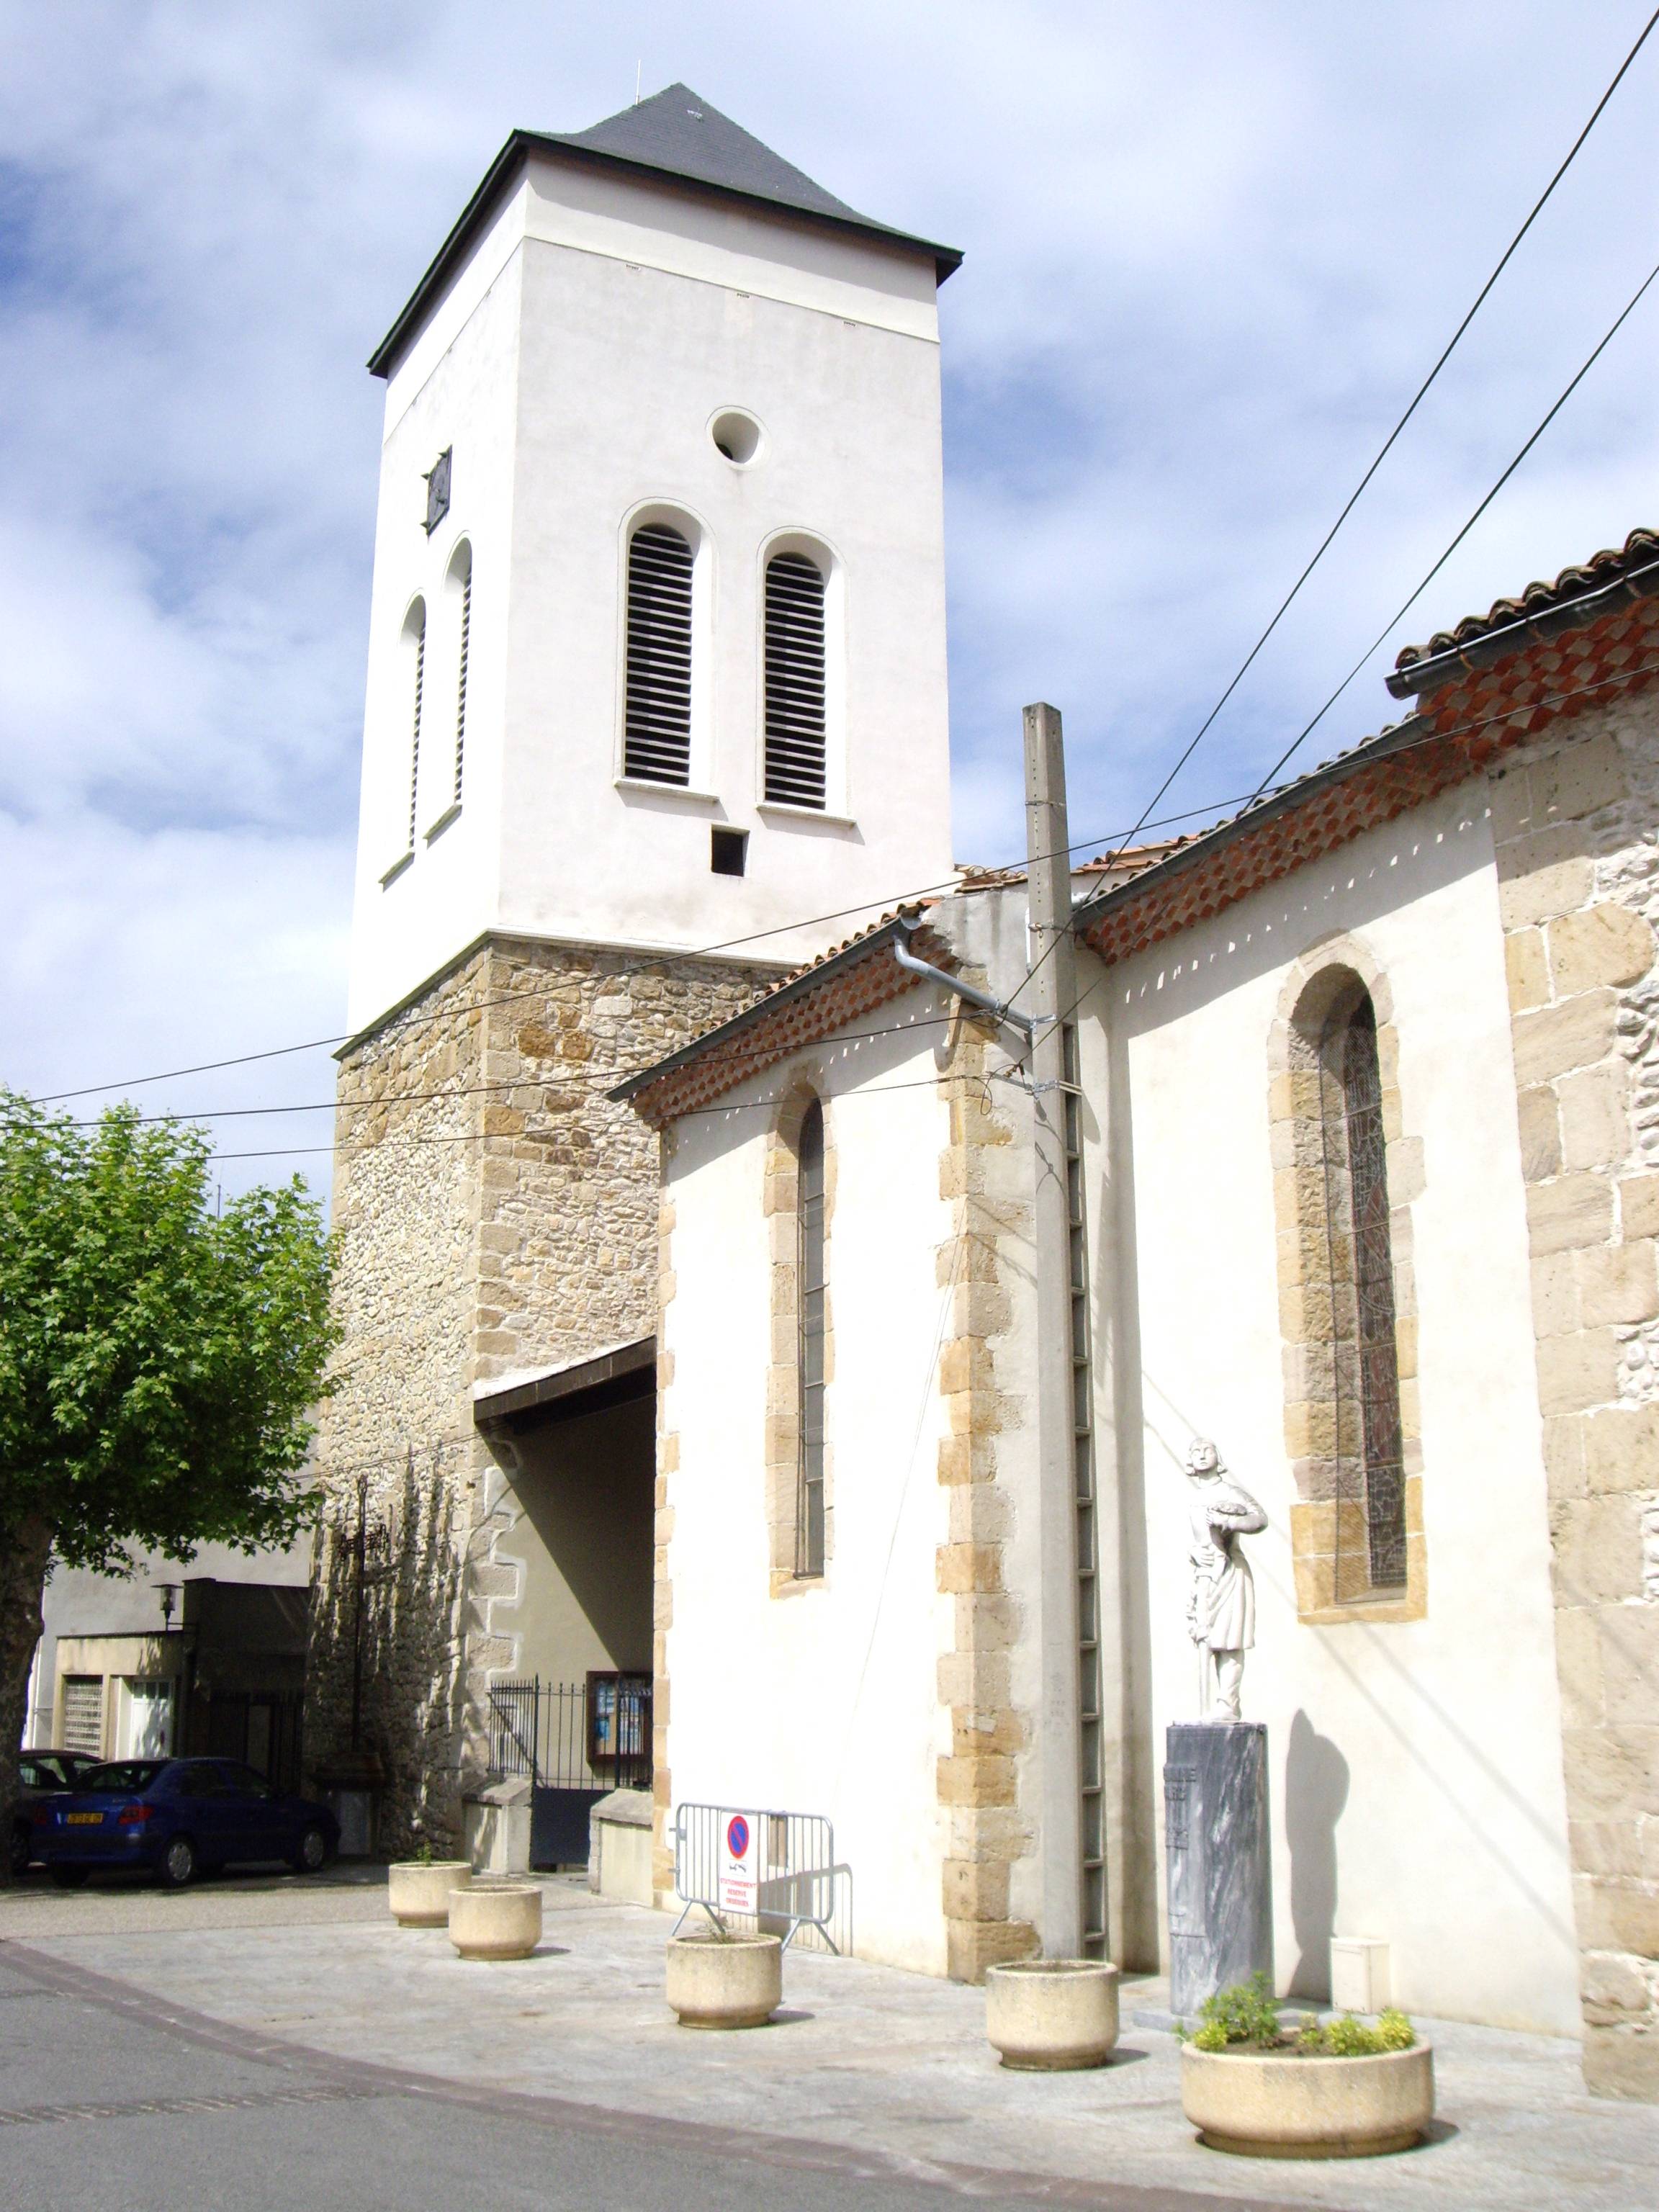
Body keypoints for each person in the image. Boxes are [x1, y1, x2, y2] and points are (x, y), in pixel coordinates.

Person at [1183, 1438, 1267, 1722]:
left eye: (1207, 1450)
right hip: (1205, 1574)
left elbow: (1260, 1519)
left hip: (1231, 1570)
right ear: (1190, 1462)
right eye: (1196, 1451)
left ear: (1218, 1458)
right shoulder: (1194, 1498)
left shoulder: (1231, 1492)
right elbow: (1197, 1540)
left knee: (1231, 1640)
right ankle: (1211, 1706)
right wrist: (1193, 1552)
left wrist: (1230, 1523)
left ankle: (1228, 1703)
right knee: (1207, 1638)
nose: (1202, 1455)